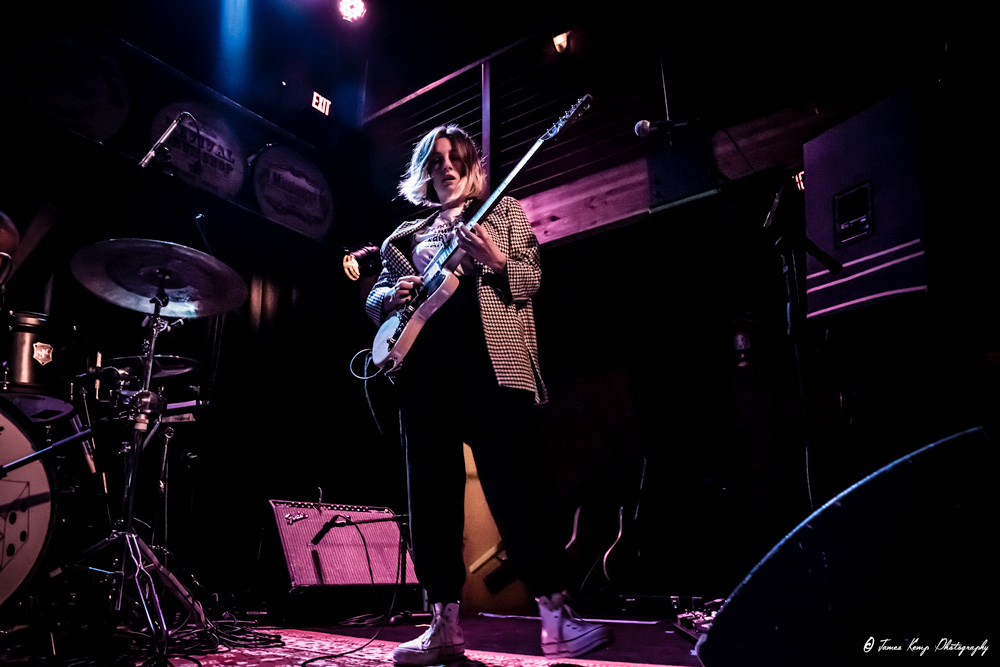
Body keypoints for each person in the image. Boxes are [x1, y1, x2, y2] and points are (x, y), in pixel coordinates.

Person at [365, 125, 612, 664]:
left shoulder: (502, 212)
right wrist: (390, 296)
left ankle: (555, 616)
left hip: (493, 368)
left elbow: (534, 279)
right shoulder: (402, 238)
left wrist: (497, 262)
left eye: (456, 159)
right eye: (436, 161)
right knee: (429, 497)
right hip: (422, 375)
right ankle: (443, 623)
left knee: (518, 487)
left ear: (471, 167)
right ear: (424, 173)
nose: (446, 168)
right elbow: (375, 299)